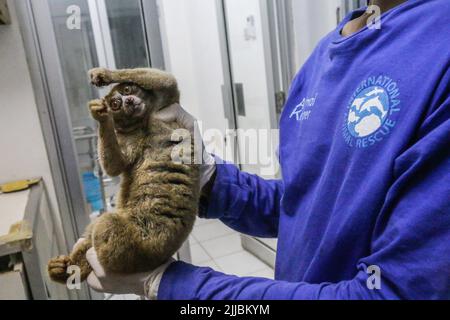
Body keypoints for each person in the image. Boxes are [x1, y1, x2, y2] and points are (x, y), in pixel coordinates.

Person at [85, 0, 450, 300]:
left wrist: (171, 286)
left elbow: (394, 293)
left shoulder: (439, 53)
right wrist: (206, 176)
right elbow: (304, 208)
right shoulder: (324, 55)